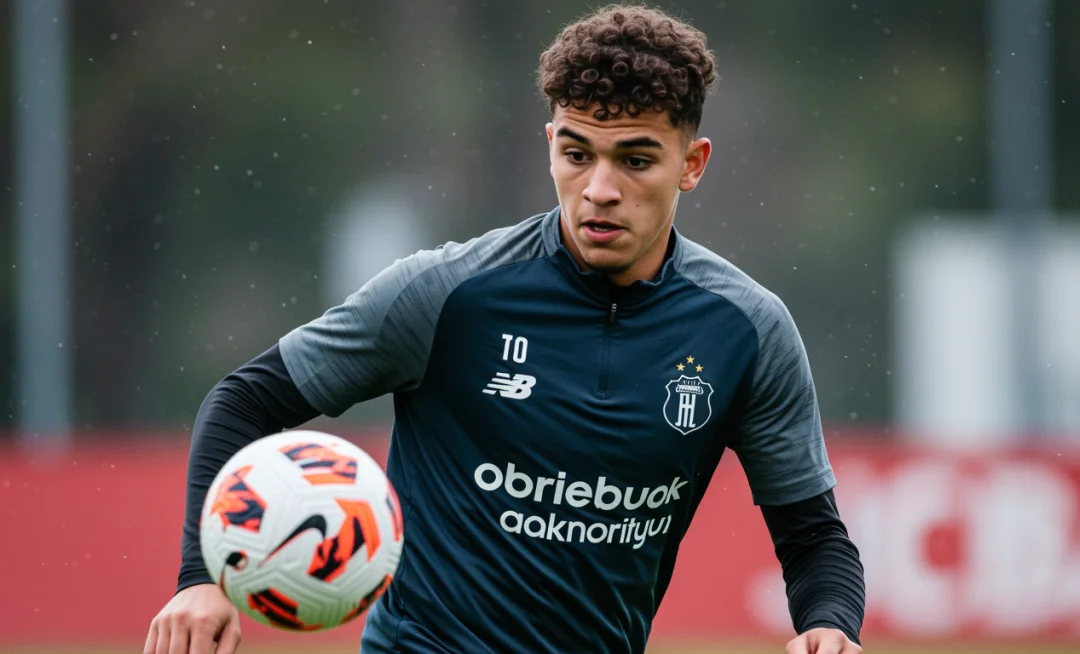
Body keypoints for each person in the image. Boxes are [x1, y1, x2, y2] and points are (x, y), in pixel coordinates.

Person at [144, 5, 866, 653]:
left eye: (636, 159)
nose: (600, 189)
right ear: (550, 144)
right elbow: (245, 400)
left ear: (692, 165)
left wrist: (828, 627)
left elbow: (813, 538)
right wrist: (198, 577)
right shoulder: (447, 293)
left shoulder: (747, 330)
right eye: (577, 154)